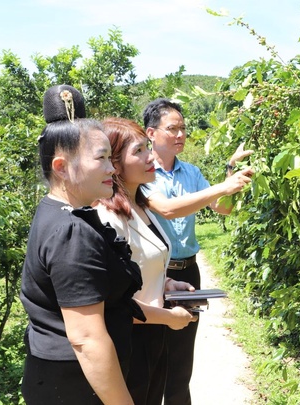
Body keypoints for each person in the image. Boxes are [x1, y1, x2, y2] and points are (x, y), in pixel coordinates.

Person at [20, 85, 142, 404]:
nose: (112, 169)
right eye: (101, 159)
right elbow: (87, 339)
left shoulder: (59, 212)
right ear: (61, 168)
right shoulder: (69, 231)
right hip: (74, 385)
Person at [142, 98, 253, 405]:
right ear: (151, 133)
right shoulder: (142, 172)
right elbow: (167, 210)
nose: (180, 135)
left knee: (181, 359)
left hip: (188, 272)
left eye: (183, 129)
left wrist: (231, 174)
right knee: (153, 358)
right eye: (172, 128)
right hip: (155, 275)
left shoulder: (191, 172)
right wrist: (221, 186)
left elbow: (223, 208)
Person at [94, 117, 199, 405]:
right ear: (114, 163)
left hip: (153, 335)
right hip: (129, 342)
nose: (151, 156)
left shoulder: (141, 207)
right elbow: (113, 302)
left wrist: (166, 282)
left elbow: (136, 269)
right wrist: (170, 318)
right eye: (139, 151)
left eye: (147, 148)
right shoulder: (108, 219)